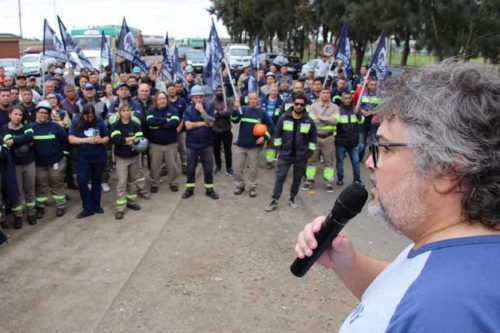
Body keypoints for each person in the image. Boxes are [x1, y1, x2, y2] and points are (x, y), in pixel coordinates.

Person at [294, 62, 500, 332]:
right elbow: (402, 291)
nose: (369, 162)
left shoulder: (445, 311)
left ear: (446, 170)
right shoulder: (458, 250)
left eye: (385, 148)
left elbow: (423, 304)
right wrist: (348, 262)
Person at [265, 93, 316, 212]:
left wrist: (309, 153)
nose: (299, 106)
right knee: (280, 177)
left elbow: (313, 137)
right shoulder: (284, 117)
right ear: (293, 104)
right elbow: (277, 134)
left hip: (301, 156)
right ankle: (274, 200)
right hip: (285, 155)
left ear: (304, 106)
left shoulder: (308, 121)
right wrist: (279, 150)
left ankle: (292, 198)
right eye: (297, 104)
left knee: (297, 178)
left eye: (301, 105)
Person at [68, 104, 109, 218]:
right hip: (83, 157)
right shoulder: (76, 121)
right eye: (87, 117)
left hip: (99, 156)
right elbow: (71, 139)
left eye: (92, 116)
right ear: (83, 115)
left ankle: (96, 205)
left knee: (96, 181)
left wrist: (100, 140)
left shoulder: (99, 121)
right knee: (81, 181)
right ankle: (87, 207)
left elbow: (107, 137)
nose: (90, 119)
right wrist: (87, 140)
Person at [231, 92, 274, 197]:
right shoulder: (243, 109)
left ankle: (252, 187)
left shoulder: (262, 112)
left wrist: (264, 137)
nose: (253, 100)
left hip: (254, 146)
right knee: (237, 167)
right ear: (248, 100)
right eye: (251, 99)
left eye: (255, 98)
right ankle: (239, 185)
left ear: (258, 100)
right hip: (241, 144)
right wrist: (235, 110)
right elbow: (234, 120)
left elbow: (271, 126)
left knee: (253, 168)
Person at [32, 101, 69, 218]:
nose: (43, 115)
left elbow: (65, 142)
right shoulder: (31, 128)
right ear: (36, 113)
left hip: (56, 162)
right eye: (40, 112)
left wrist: (63, 157)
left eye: (45, 113)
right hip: (39, 164)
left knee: (57, 183)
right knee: (40, 185)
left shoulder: (56, 127)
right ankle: (40, 207)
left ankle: (60, 205)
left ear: (49, 114)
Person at [2, 105, 37, 228]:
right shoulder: (5, 128)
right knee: (17, 193)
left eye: (20, 115)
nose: (18, 117)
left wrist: (16, 140)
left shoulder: (26, 126)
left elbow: (30, 137)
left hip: (29, 163)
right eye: (15, 114)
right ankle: (18, 216)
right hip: (15, 166)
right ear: (10, 114)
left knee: (30, 190)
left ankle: (31, 214)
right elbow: (8, 142)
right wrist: (24, 140)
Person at [182, 85, 218, 200]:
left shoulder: (208, 107)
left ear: (203, 98)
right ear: (192, 98)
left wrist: (202, 111)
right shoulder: (188, 109)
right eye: (196, 97)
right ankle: (189, 189)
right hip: (192, 145)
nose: (198, 100)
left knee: (208, 168)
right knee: (191, 168)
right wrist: (203, 123)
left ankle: (209, 189)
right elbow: (188, 126)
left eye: (200, 97)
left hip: (207, 144)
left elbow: (211, 123)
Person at [110, 102, 143, 220]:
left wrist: (126, 141)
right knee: (121, 183)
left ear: (131, 112)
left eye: (127, 110)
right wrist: (132, 139)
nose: (125, 113)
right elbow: (117, 141)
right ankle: (120, 207)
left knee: (133, 181)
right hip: (122, 159)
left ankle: (131, 202)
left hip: (134, 157)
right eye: (123, 111)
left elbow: (140, 140)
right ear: (119, 113)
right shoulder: (115, 125)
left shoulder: (135, 124)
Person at [303, 87, 339, 192]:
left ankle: (328, 182)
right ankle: (309, 181)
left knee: (329, 162)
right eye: (323, 92)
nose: (326, 94)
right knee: (311, 161)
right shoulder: (313, 106)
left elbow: (336, 121)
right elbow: (313, 121)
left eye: (328, 92)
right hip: (315, 138)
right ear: (320, 94)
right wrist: (328, 119)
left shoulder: (335, 107)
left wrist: (321, 118)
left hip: (328, 138)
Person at [146, 91, 180, 193]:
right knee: (154, 166)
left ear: (167, 99)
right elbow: (150, 121)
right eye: (160, 99)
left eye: (164, 98)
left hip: (171, 144)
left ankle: (173, 182)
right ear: (156, 100)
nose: (162, 100)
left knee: (173, 165)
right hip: (155, 145)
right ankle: (154, 183)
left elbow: (175, 122)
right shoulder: (151, 110)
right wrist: (166, 120)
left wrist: (158, 124)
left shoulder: (173, 110)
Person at [335, 91, 363, 185]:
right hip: (341, 141)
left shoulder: (356, 109)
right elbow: (334, 125)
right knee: (340, 162)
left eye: (349, 98)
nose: (347, 100)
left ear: (351, 99)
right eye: (345, 98)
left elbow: (361, 121)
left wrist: (358, 113)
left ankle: (357, 179)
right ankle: (340, 178)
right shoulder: (337, 110)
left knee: (356, 162)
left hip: (353, 141)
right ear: (342, 99)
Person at [211, 85, 234, 176]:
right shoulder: (211, 102)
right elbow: (212, 116)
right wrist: (223, 112)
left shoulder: (229, 101)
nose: (219, 92)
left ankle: (229, 167)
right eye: (218, 90)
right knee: (216, 149)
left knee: (228, 149)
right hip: (215, 130)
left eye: (221, 90)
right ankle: (218, 165)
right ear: (215, 92)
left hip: (226, 129)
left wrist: (218, 112)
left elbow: (229, 113)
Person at [260, 84, 283, 168]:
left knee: (271, 145)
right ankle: (254, 159)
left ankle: (269, 162)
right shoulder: (262, 100)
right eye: (272, 90)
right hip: (263, 125)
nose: (273, 92)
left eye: (275, 91)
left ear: (278, 92)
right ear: (269, 90)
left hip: (275, 126)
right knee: (259, 143)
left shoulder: (281, 102)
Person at [166, 83, 188, 175]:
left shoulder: (182, 101)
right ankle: (171, 168)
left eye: (173, 89)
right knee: (170, 151)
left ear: (176, 90)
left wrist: (179, 126)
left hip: (181, 130)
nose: (171, 90)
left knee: (183, 148)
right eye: (169, 89)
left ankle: (185, 165)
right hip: (169, 131)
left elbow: (185, 115)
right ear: (167, 91)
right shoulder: (165, 101)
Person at [357, 78, 381, 162]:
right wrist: (361, 110)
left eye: (375, 84)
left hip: (374, 121)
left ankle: (374, 159)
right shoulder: (362, 95)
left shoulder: (380, 96)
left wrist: (372, 112)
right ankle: (358, 159)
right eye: (371, 84)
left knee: (373, 141)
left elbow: (381, 108)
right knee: (361, 143)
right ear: (368, 85)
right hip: (363, 121)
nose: (373, 86)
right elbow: (358, 106)